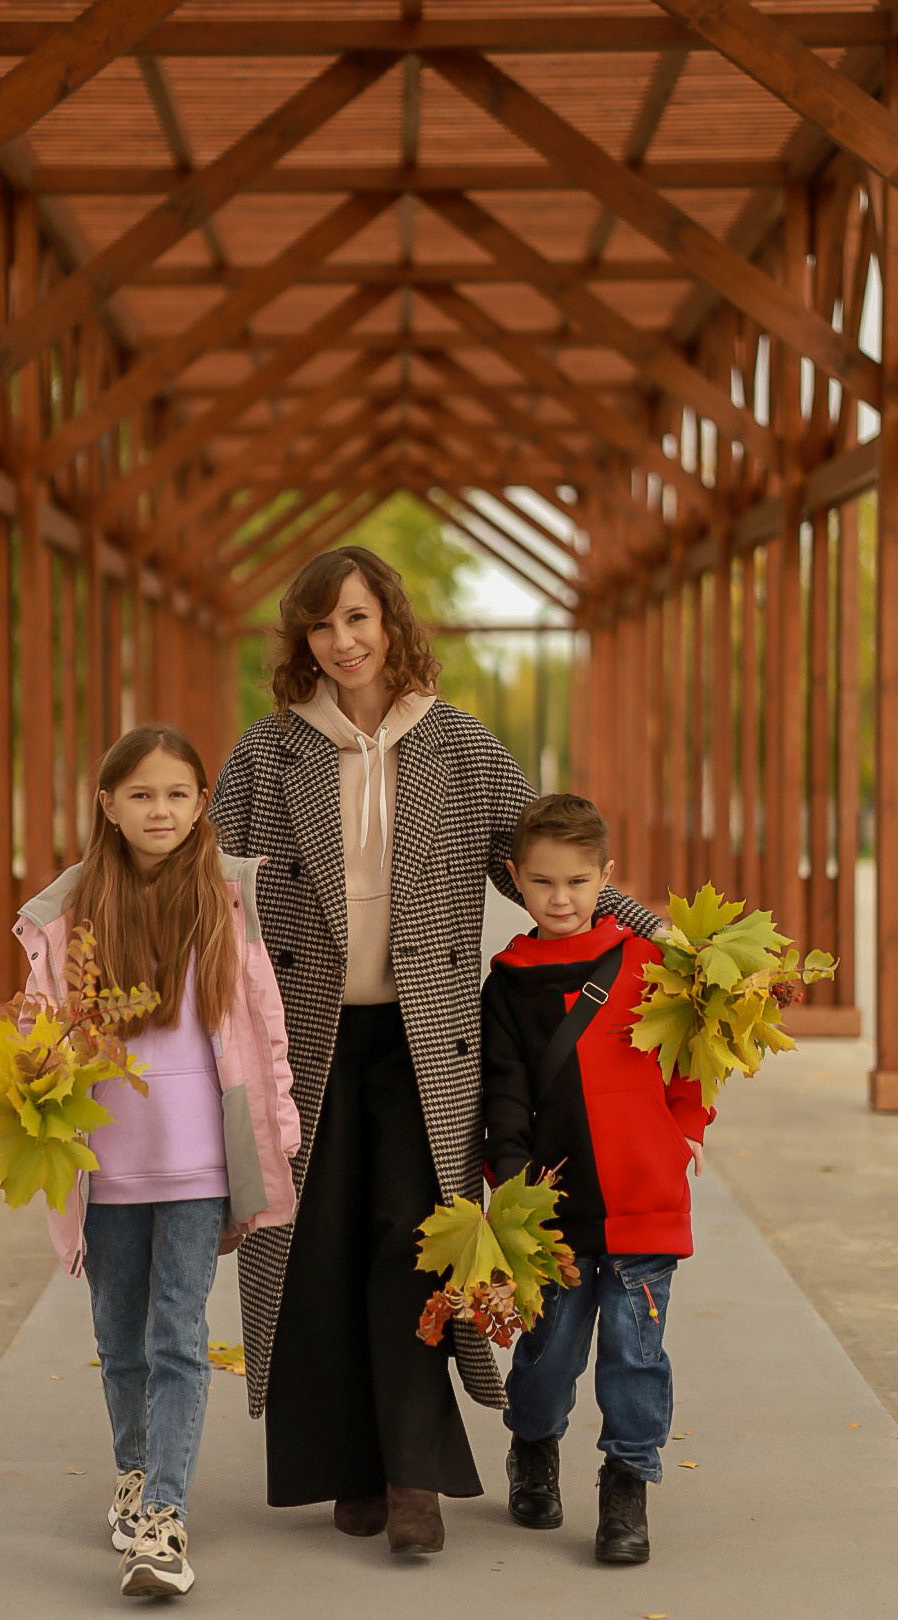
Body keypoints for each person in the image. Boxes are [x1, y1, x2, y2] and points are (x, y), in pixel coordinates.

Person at [208, 546, 661, 1555]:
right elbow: (203, 882)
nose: (344, 641)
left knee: (415, 1243)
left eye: (360, 618)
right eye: (323, 625)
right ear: (305, 642)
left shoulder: (459, 747)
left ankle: (414, 1474)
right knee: (315, 1248)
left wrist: (657, 935)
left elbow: (541, 861)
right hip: (306, 1039)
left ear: (393, 624)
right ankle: (346, 1471)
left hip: (429, 1037)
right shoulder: (265, 753)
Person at [12, 724, 299, 1601]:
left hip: (200, 1162)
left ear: (202, 801)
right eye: (140, 794)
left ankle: (164, 1518)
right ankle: (134, 1472)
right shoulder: (67, 914)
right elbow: (35, 1021)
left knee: (178, 1333)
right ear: (107, 805)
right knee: (118, 1336)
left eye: (177, 793)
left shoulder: (226, 901)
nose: (160, 810)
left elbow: (263, 1022)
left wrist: (279, 1122)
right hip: (105, 1161)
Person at [481, 792, 715, 1565]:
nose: (560, 899)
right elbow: (504, 1092)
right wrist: (512, 1191)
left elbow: (691, 1053)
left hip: (646, 1197)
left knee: (634, 1352)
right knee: (548, 1352)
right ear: (514, 879)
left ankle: (627, 1484)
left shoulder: (649, 964)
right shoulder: (508, 983)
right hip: (557, 1210)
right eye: (543, 882)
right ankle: (535, 1445)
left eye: (579, 882)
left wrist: (688, 1125)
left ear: (606, 877)